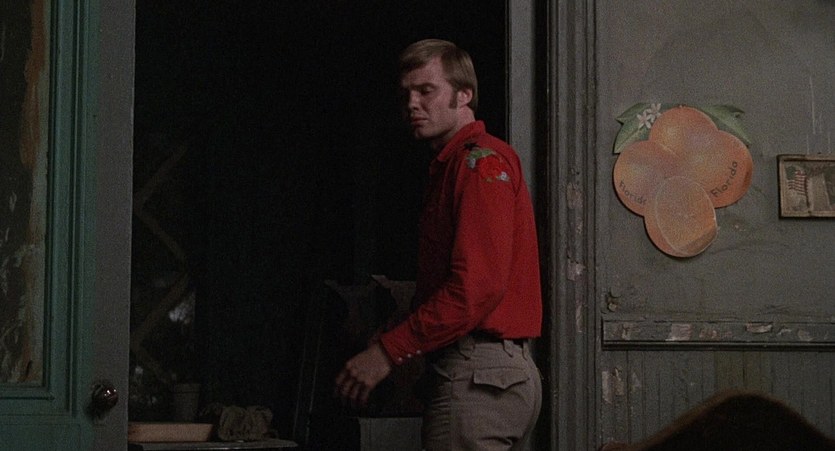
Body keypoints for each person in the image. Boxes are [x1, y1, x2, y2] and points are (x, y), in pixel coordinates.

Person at [335, 38, 543, 450]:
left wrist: (387, 352)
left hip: (477, 374)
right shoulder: (458, 165)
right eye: (406, 94)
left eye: (426, 90)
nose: (412, 104)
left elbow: (476, 288)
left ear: (464, 94)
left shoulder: (477, 163)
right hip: (492, 376)